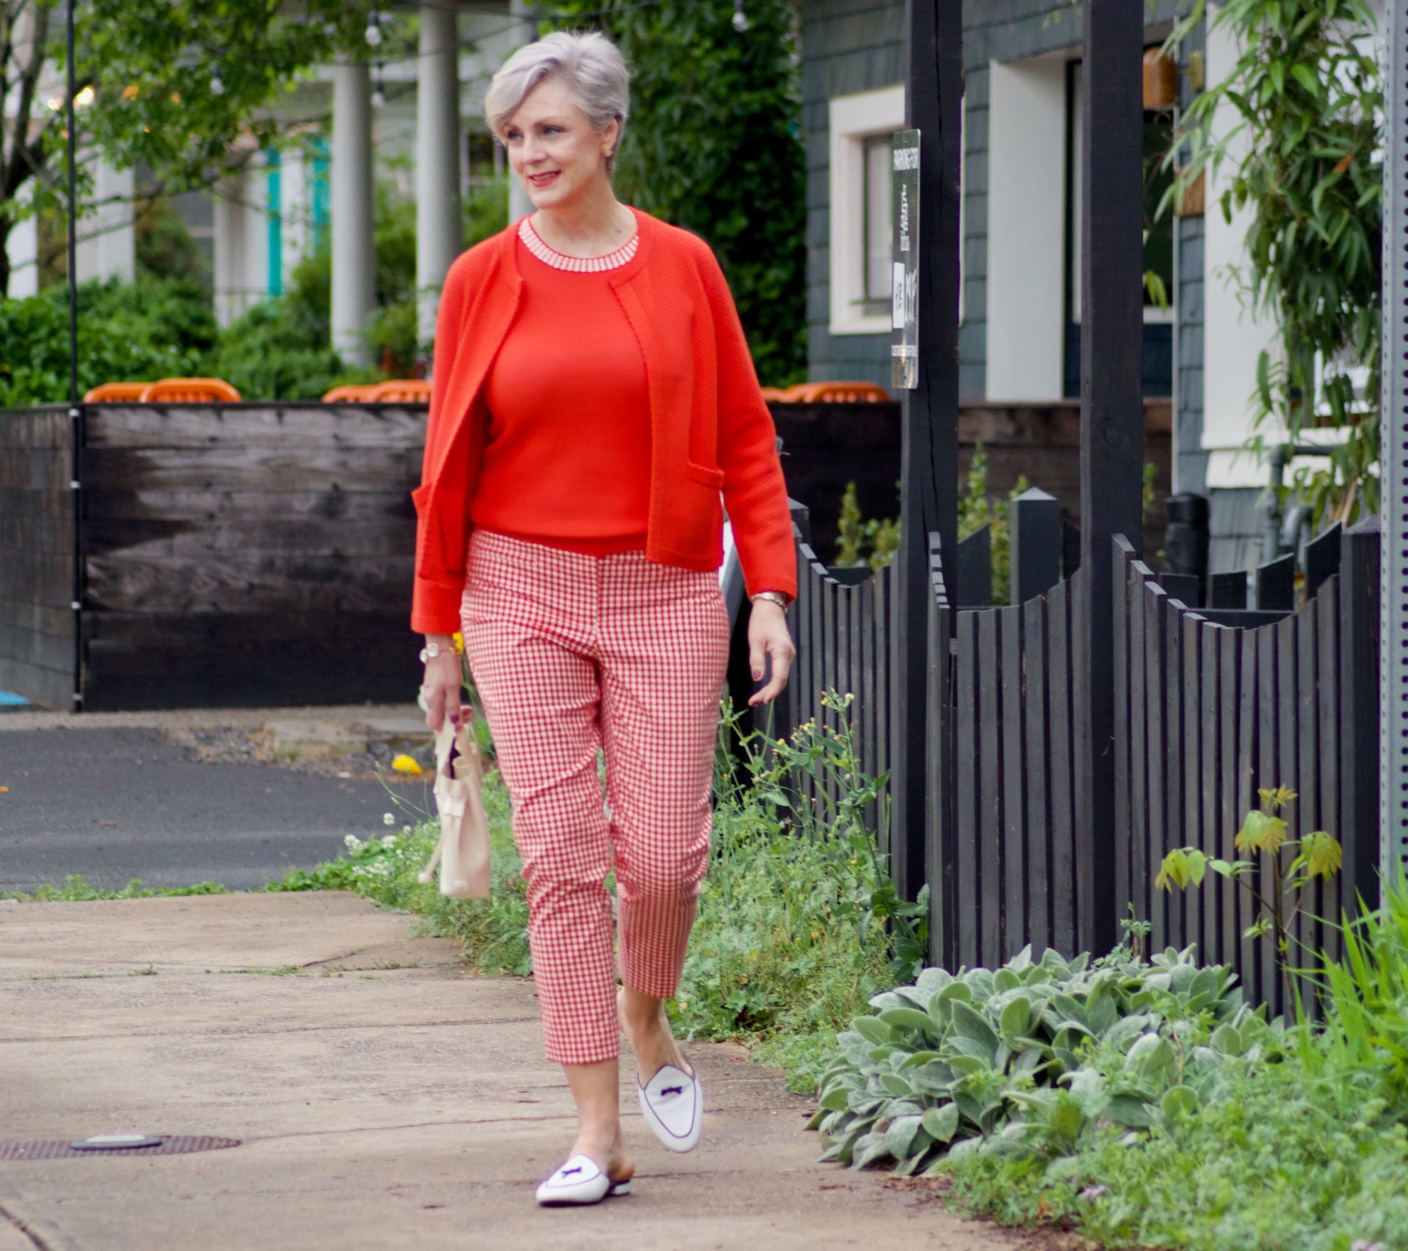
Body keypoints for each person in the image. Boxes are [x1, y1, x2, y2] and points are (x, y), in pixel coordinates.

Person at [411, 29, 798, 1209]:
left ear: (607, 134)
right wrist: (440, 635)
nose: (528, 154)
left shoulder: (683, 266)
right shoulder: (483, 278)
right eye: (513, 137)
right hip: (516, 586)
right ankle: (594, 1130)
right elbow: (445, 458)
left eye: (550, 132)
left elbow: (743, 435)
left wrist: (768, 591)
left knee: (669, 856)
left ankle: (646, 1010)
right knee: (565, 858)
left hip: (666, 584)